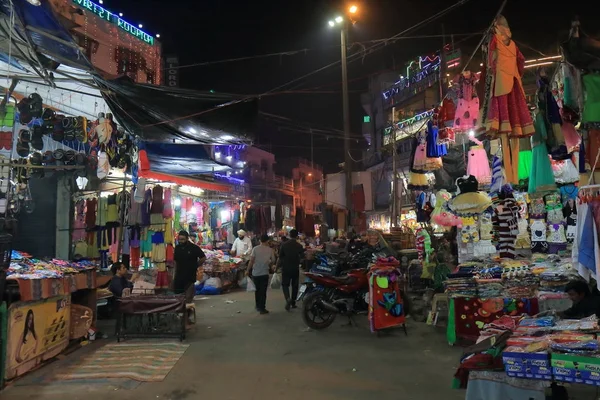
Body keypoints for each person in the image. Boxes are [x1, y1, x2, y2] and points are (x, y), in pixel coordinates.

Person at [174, 230, 206, 303]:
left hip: (190, 274)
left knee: (188, 295)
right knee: (179, 295)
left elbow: (203, 258)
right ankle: (181, 310)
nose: (181, 241)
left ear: (187, 238)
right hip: (179, 274)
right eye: (179, 239)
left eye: (183, 239)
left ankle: (188, 308)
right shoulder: (177, 248)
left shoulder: (194, 247)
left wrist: (196, 265)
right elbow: (175, 261)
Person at [278, 229, 305, 311]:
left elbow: (280, 257)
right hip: (295, 268)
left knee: (285, 284)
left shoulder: (284, 244)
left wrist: (277, 267)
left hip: (286, 267)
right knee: (295, 285)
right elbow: (302, 257)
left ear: (289, 235)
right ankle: (293, 303)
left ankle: (288, 299)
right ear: (297, 236)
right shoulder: (299, 246)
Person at [248, 234, 275, 314]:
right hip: (264, 273)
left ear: (260, 240)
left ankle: (257, 306)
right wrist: (268, 262)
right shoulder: (270, 250)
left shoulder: (255, 249)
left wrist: (247, 270)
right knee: (263, 291)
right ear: (267, 241)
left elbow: (251, 261)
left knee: (257, 290)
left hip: (255, 273)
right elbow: (273, 261)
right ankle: (262, 308)